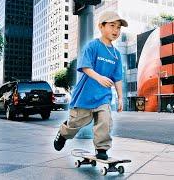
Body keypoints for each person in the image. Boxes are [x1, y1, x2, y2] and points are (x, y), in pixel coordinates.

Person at [53, 11, 128, 160]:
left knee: (105, 121)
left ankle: (101, 148)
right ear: (101, 26)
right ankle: (63, 132)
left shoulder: (116, 55)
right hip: (85, 96)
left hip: (103, 96)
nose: (116, 30)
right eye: (112, 26)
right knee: (76, 123)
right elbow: (85, 67)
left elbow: (118, 77)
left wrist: (120, 98)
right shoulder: (93, 46)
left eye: (119, 27)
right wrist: (99, 77)